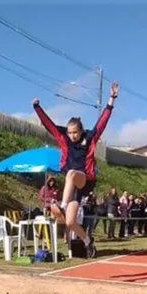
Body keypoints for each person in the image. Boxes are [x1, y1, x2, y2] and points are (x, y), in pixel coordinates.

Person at [32, 81, 120, 258]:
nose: (72, 136)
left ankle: (62, 205)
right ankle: (88, 242)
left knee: (71, 173)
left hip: (85, 179)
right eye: (70, 133)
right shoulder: (63, 136)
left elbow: (102, 122)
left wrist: (111, 99)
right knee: (71, 222)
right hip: (73, 187)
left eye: (75, 133)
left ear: (81, 131)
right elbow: (48, 124)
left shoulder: (90, 137)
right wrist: (37, 108)